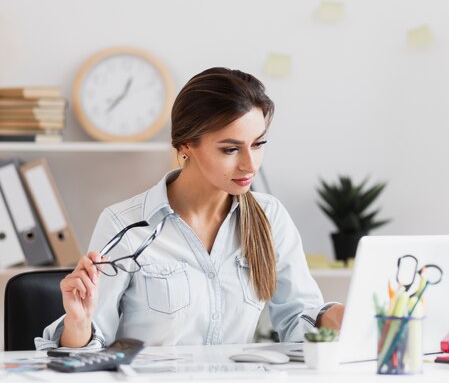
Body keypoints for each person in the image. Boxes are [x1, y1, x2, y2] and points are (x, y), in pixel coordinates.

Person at [36, 67, 344, 349]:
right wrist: (78, 323)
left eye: (258, 144)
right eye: (231, 149)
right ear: (185, 145)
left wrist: (338, 318)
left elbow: (298, 319)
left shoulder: (269, 217)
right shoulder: (125, 224)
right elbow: (93, 344)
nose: (250, 164)